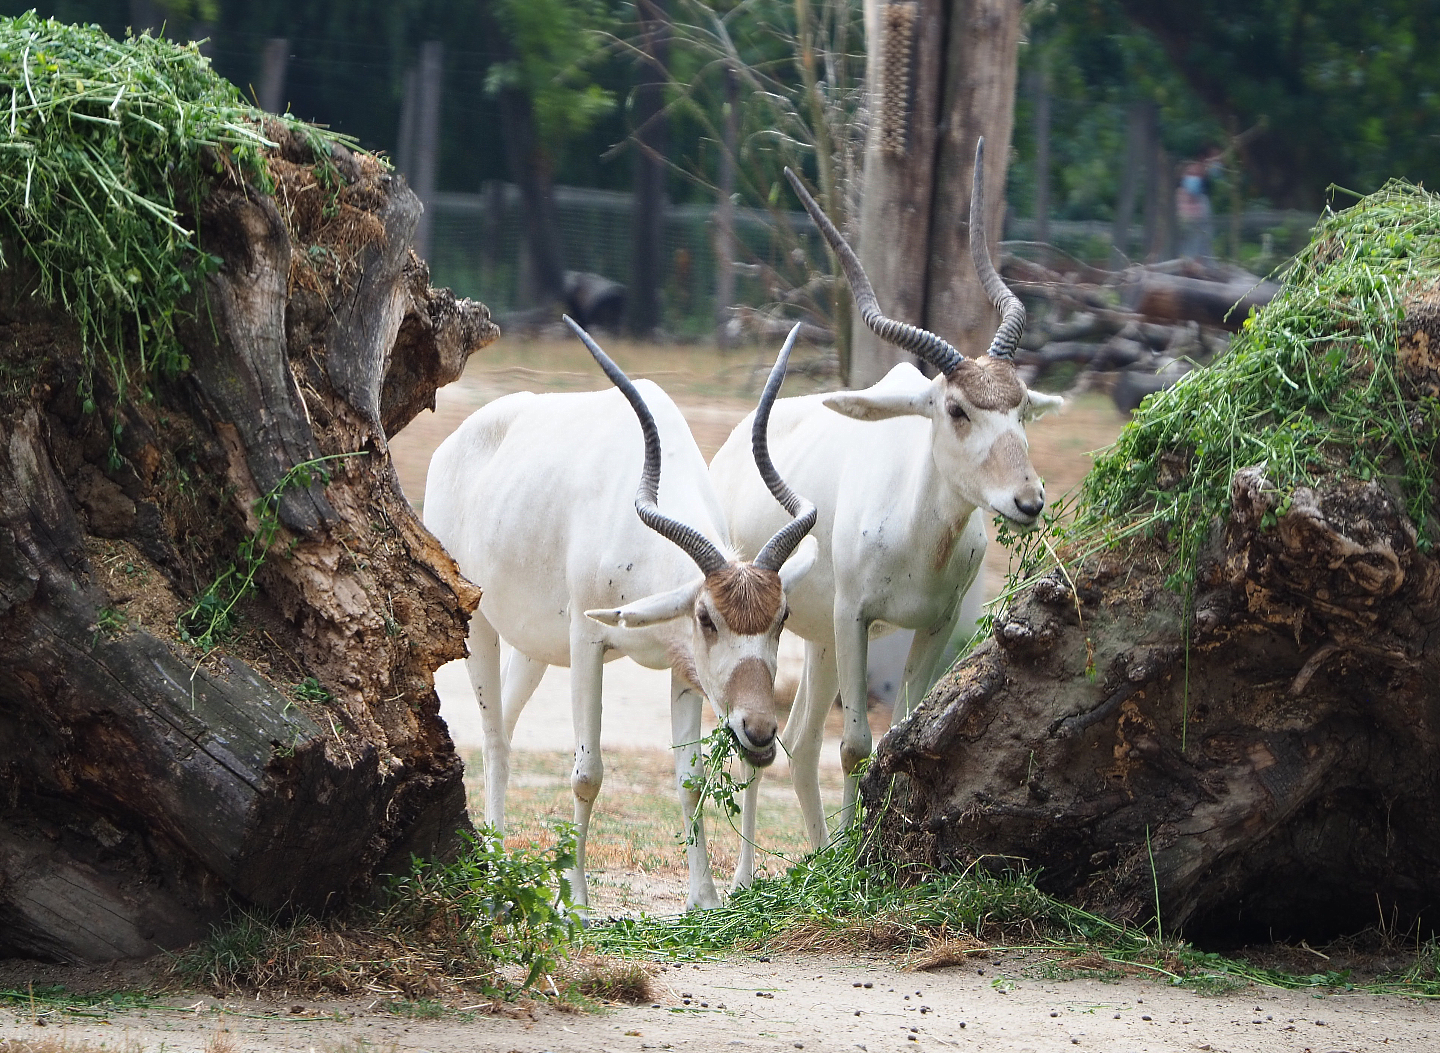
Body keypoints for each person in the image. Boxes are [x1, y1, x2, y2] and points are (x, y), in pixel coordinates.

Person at [1176, 155, 1219, 258]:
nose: (1194, 178)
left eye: (1198, 175)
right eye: (1190, 174)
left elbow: (1208, 234)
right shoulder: (1172, 201)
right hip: (1176, 258)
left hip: (1201, 259)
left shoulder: (1204, 201)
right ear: (1182, 175)